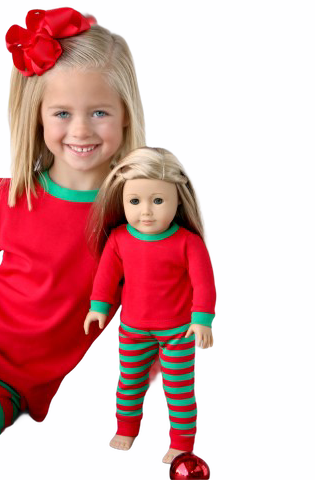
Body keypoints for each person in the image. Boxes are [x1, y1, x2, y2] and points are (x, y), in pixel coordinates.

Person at [0, 7, 145, 458]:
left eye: (100, 112)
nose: (81, 130)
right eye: (62, 113)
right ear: (39, 117)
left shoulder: (133, 225)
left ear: (126, 115)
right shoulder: (9, 196)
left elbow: (151, 318)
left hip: (11, 385)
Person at [83, 147, 216, 464]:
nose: (146, 212)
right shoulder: (119, 239)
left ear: (178, 200)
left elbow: (204, 284)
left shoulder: (188, 242)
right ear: (121, 200)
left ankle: (182, 441)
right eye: (135, 201)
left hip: (178, 331)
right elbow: (106, 277)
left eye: (158, 201)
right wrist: (98, 306)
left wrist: (202, 319)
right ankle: (126, 428)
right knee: (129, 383)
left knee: (179, 390)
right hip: (133, 330)